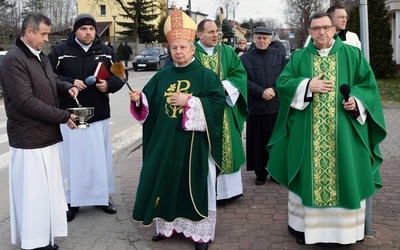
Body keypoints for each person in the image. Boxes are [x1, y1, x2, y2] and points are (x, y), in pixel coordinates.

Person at [267, 12, 386, 246]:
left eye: (325, 27)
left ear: (334, 29)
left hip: (345, 134)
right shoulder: (299, 58)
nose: (321, 32)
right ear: (310, 32)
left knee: (347, 172)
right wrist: (306, 85)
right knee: (307, 175)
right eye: (316, 28)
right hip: (307, 135)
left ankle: (346, 232)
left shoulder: (353, 55)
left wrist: (356, 102)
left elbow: (368, 87)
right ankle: (305, 229)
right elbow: (283, 84)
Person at [129, 9, 225, 250]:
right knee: (165, 182)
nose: (178, 52)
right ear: (169, 50)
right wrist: (139, 99)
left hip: (194, 145)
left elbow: (217, 105)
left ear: (193, 49)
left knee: (194, 185)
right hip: (164, 143)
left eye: (183, 47)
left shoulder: (207, 76)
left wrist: (191, 101)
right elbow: (148, 106)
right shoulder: (161, 76)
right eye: (174, 48)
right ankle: (166, 227)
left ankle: (199, 233)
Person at [0, 13, 79, 250]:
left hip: (46, 136)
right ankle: (34, 243)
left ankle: (45, 236)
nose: (47, 38)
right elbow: (25, 102)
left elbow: (51, 82)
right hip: (28, 140)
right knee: (33, 195)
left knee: (47, 193)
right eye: (43, 33)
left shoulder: (39, 56)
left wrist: (68, 88)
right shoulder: (13, 60)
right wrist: (64, 116)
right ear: (29, 32)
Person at [48, 13, 125, 222]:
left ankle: (102, 198)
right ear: (75, 31)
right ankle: (72, 201)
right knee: (74, 160)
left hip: (98, 114)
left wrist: (109, 85)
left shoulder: (107, 52)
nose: (88, 32)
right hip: (71, 115)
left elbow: (121, 75)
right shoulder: (60, 52)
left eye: (91, 29)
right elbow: (47, 76)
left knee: (99, 160)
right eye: (83, 29)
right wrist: (70, 81)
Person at [194, 19, 248, 203]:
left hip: (225, 108)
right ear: (199, 34)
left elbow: (239, 74)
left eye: (216, 31)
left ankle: (228, 192)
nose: (215, 35)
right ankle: (206, 192)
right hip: (200, 111)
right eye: (210, 32)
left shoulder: (226, 51)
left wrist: (225, 86)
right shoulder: (191, 52)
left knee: (228, 147)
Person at [240, 27, 286, 185]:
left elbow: (285, 76)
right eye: (258, 38)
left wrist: (273, 89)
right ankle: (260, 173)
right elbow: (242, 80)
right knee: (257, 143)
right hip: (256, 107)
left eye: (264, 38)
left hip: (275, 107)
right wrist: (260, 92)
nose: (261, 41)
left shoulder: (279, 56)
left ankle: (276, 172)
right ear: (254, 38)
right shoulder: (245, 59)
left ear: (270, 39)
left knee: (276, 142)